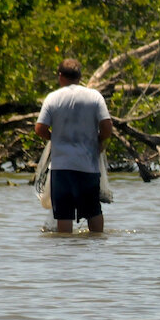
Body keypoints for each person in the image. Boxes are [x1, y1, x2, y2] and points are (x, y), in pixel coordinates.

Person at [35, 58, 113, 233]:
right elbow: (107, 127)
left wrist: (54, 138)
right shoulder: (94, 97)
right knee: (94, 211)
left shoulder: (53, 98)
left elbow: (40, 128)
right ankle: (98, 243)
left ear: (60, 76)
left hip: (61, 168)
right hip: (88, 166)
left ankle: (66, 246)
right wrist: (99, 140)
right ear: (79, 77)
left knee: (64, 215)